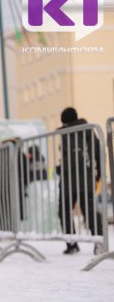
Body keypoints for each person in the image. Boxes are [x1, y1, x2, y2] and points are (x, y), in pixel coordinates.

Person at [57, 107, 103, 255]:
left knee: (65, 211)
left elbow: (71, 158)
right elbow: (97, 152)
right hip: (85, 179)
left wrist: (61, 168)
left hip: (70, 180)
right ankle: (99, 242)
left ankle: (73, 243)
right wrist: (98, 174)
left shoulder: (67, 133)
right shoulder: (88, 130)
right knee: (88, 211)